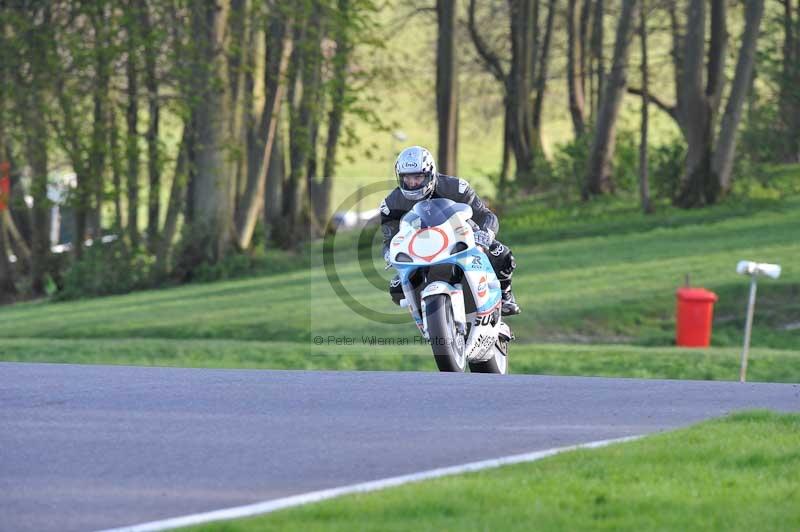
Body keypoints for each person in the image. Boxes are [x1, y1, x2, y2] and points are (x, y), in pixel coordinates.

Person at [380, 146, 520, 316]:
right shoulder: (391, 204)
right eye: (407, 178)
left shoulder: (457, 188)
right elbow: (390, 238)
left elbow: (486, 216)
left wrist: (485, 234)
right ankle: (425, 316)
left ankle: (506, 295)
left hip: (459, 240)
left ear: (430, 173)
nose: (413, 183)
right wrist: (389, 253)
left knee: (502, 254)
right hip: (420, 252)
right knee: (396, 289)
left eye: (418, 177)